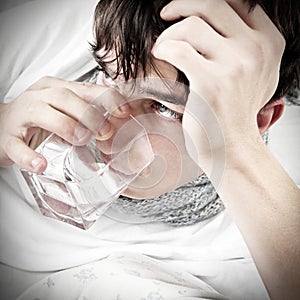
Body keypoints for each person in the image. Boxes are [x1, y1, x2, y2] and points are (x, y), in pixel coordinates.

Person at [0, 0, 299, 299]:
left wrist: (235, 146)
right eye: (108, 74)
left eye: (163, 108)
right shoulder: (76, 31)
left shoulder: (258, 248)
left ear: (259, 120)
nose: (110, 124)